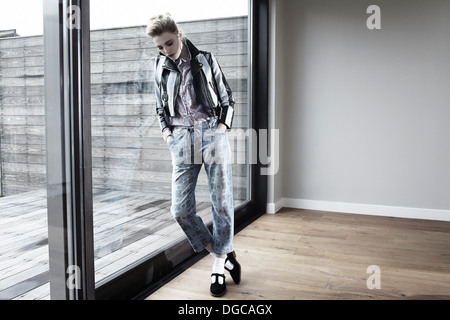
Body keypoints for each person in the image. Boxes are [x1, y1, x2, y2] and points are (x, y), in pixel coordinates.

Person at [147, 13, 241, 297]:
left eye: (169, 43)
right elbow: (160, 107)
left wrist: (222, 127)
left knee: (221, 203)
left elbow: (227, 98)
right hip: (181, 139)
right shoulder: (160, 66)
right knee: (180, 210)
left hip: (212, 132)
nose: (166, 50)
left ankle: (218, 266)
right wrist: (168, 134)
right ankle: (222, 253)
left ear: (180, 33)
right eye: (160, 47)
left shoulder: (205, 59)